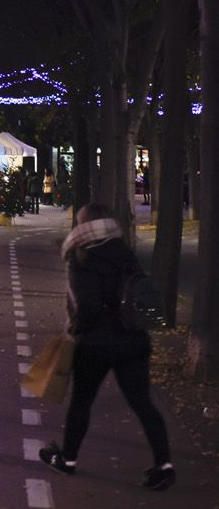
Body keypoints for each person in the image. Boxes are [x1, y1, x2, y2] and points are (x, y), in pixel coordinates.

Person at [39, 204, 175, 491]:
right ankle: (164, 466)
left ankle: (68, 459)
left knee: (82, 402)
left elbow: (86, 306)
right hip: (133, 341)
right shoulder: (124, 251)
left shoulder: (81, 255)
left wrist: (78, 329)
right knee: (143, 404)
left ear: (83, 225)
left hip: (96, 345)